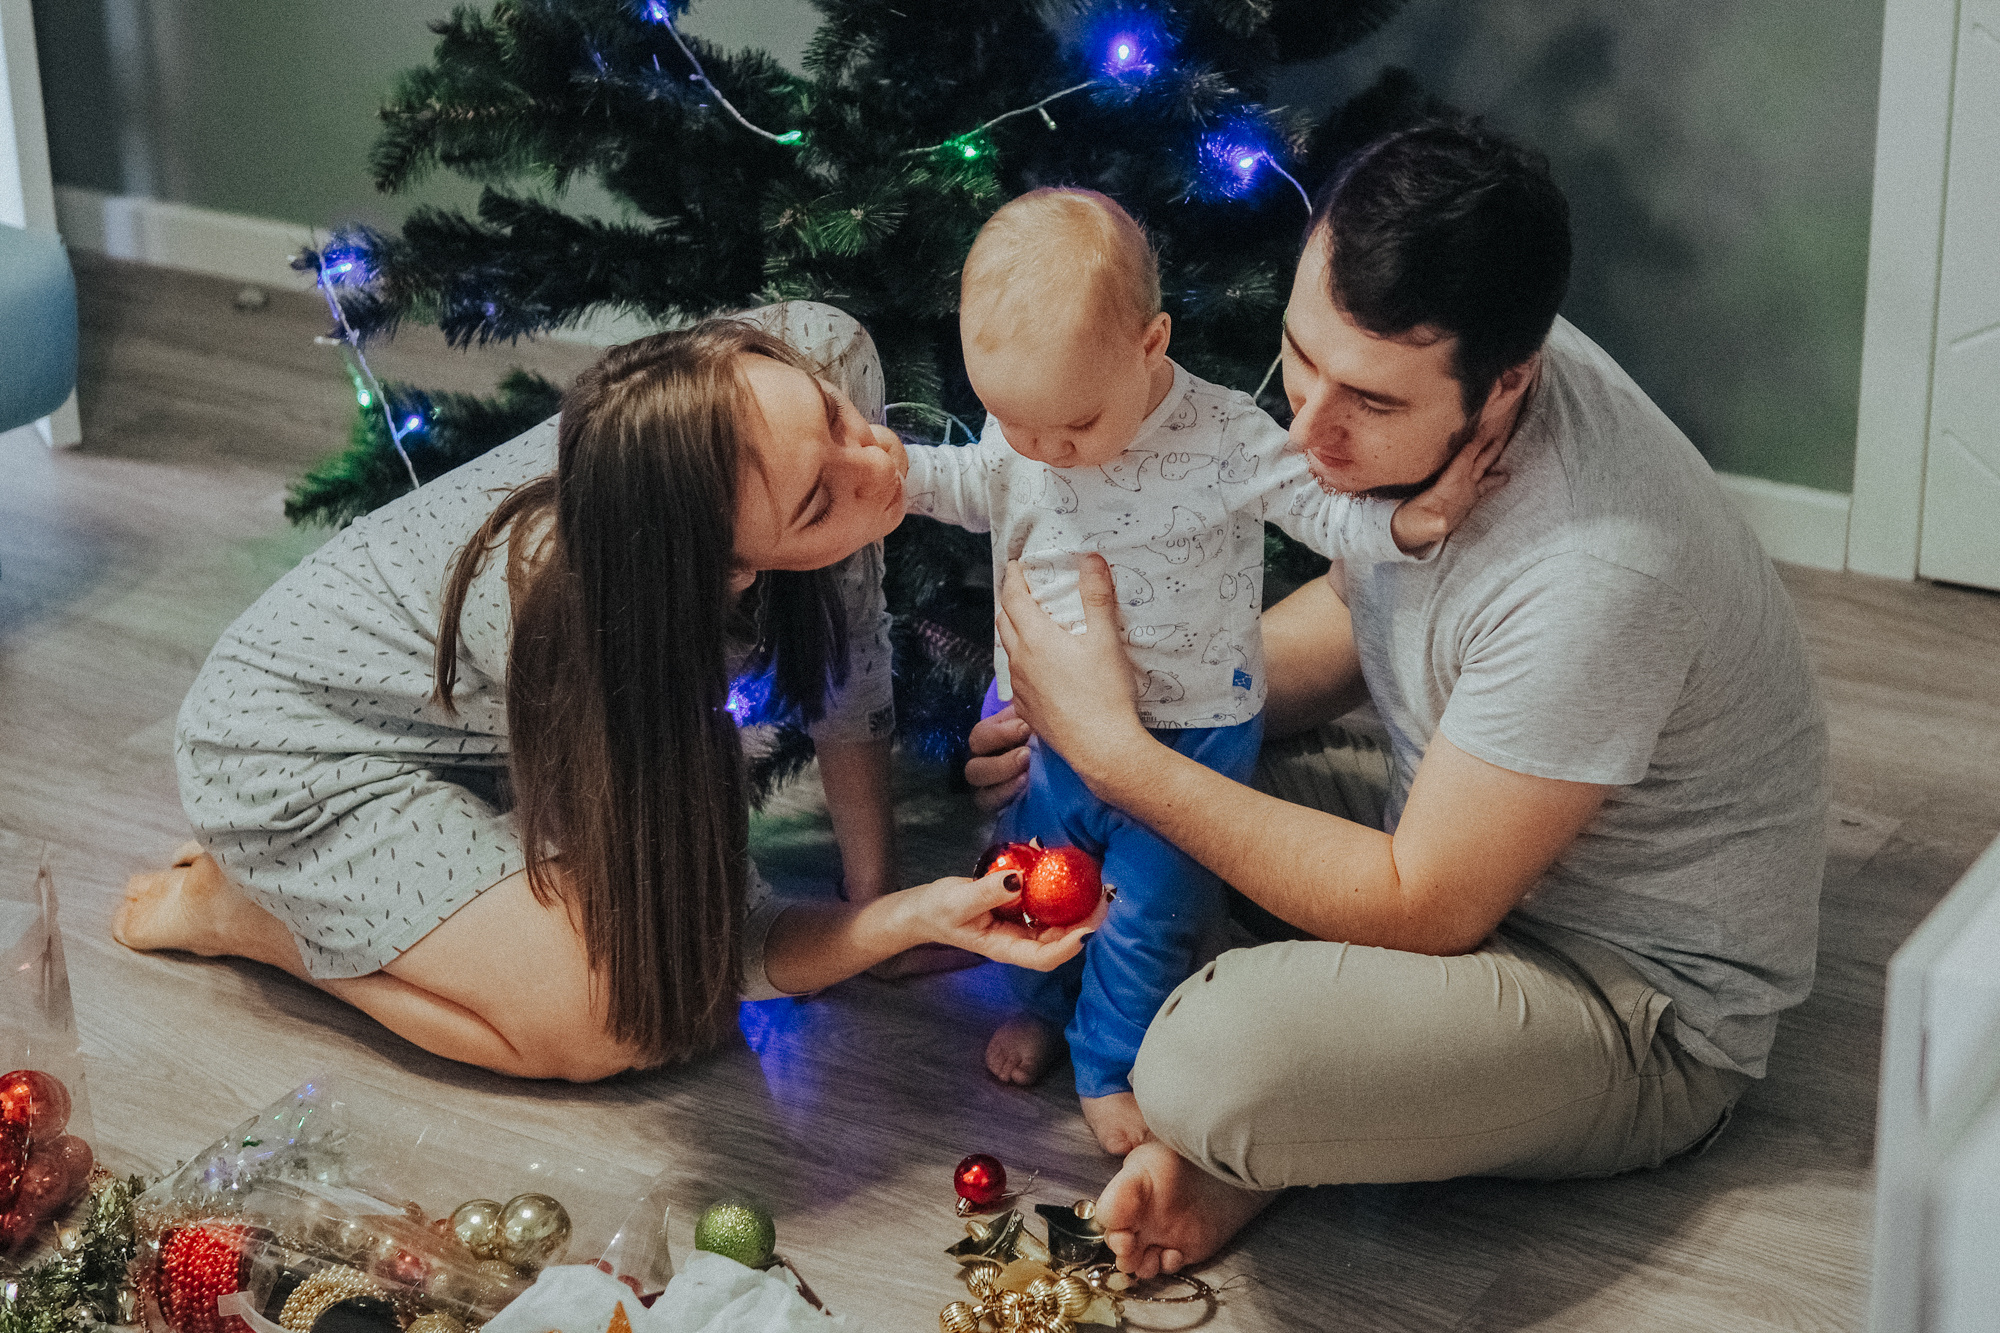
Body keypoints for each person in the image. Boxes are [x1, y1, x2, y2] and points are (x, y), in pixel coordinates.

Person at [968, 120, 1829, 1276]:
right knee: (1075, 799)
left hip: (1624, 993)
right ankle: (1319, 1115)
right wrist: (1105, 717)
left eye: (1365, 403)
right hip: (1452, 820)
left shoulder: (1597, 568)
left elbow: (1426, 907)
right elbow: (1360, 610)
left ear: (1506, 380)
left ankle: (1287, 1126)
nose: (1308, 432)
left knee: (1202, 1060)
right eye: (1296, 354)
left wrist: (1120, 749)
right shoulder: (1445, 347)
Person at [116, 303, 1103, 1082]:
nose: (878, 461)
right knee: (622, 1028)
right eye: (817, 503)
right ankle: (247, 916)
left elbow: (850, 647)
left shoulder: (816, 354)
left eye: (840, 425)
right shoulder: (615, 634)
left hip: (472, 721)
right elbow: (721, 948)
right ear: (722, 573)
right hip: (289, 751)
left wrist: (878, 901)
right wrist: (899, 921)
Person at [903, 187, 1502, 1153]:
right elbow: (982, 481)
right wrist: (901, 476)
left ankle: (1108, 1059)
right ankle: (1042, 1004)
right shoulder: (1027, 425)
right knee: (1035, 876)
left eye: (1077, 426)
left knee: (1149, 914)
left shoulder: (1222, 436)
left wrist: (1403, 523)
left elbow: (1317, 509)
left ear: (1151, 347)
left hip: (1192, 733)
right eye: (1015, 421)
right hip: (1056, 726)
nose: (1048, 450)